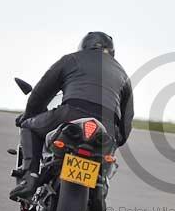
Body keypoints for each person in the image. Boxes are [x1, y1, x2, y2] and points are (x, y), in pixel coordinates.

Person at [9, 32, 133, 200]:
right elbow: (127, 120)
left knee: (28, 127)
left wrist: (29, 115)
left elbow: (41, 92)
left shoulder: (72, 59)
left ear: (84, 46)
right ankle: (99, 188)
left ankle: (30, 178)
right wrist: (116, 139)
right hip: (106, 126)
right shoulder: (123, 75)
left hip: (71, 113)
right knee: (106, 152)